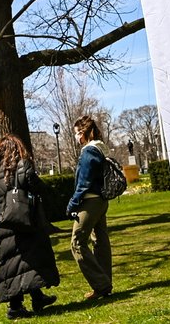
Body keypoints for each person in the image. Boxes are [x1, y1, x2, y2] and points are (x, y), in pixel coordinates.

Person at [0, 135, 58, 320]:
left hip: (3, 227)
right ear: (17, 149)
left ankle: (30, 300)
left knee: (13, 265)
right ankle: (19, 306)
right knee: (31, 258)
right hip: (23, 222)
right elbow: (36, 185)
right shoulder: (22, 165)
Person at [66, 115, 112, 300]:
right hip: (101, 201)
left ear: (84, 133)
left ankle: (101, 284)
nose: (76, 138)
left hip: (90, 201)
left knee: (77, 243)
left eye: (77, 133)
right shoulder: (101, 148)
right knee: (100, 241)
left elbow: (84, 183)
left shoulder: (89, 151)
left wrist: (72, 204)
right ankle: (104, 286)